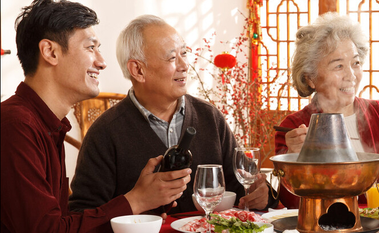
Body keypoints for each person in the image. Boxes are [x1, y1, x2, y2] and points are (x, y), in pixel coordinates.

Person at [0, 0, 190, 233]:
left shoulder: (47, 124)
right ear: (51, 52)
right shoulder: (15, 126)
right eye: (91, 48)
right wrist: (135, 201)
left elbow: (60, 224)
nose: (102, 62)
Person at [69, 15, 278, 214]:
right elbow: (84, 214)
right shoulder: (106, 132)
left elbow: (242, 185)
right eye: (172, 57)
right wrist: (136, 201)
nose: (184, 65)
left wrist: (262, 194)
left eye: (184, 53)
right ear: (138, 70)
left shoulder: (210, 117)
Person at [274, 12, 379, 208]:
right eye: (338, 66)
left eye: (355, 63)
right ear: (310, 78)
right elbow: (292, 204)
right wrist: (294, 158)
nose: (351, 75)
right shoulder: (294, 127)